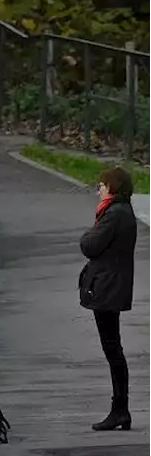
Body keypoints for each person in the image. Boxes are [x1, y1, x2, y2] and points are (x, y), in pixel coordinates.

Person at [80, 166, 137, 431]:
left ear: (112, 187)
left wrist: (87, 235)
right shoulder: (120, 212)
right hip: (112, 285)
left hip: (108, 287)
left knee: (112, 348)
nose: (99, 189)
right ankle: (120, 408)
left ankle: (120, 408)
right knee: (113, 347)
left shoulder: (113, 214)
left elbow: (90, 245)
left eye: (102, 185)